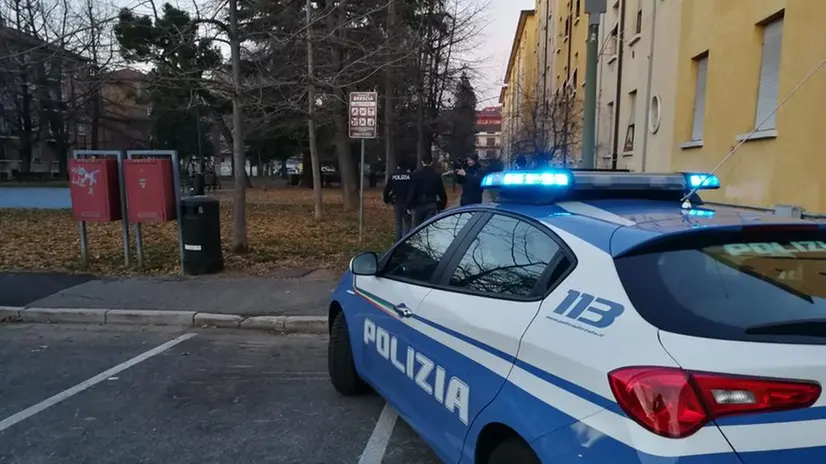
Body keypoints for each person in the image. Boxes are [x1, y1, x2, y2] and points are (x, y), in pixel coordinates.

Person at [407, 153, 447, 227]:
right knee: (429, 226)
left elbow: (412, 191)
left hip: (419, 204)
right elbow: (441, 191)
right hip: (432, 203)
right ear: (431, 162)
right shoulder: (436, 175)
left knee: (417, 227)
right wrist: (442, 204)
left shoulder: (416, 175)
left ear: (422, 162)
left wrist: (409, 205)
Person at [383, 161, 413, 241]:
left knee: (398, 223)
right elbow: (413, 189)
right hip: (407, 202)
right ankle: (406, 241)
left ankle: (398, 241)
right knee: (407, 222)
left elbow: (386, 190)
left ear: (398, 166)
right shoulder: (410, 176)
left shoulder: (393, 176)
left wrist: (386, 200)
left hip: (396, 201)